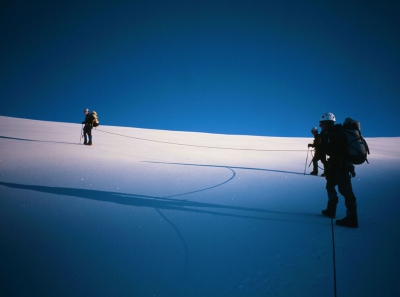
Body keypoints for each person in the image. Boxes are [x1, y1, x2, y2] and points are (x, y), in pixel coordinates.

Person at [319, 112, 358, 228]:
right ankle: (331, 210)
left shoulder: (335, 134)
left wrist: (325, 144)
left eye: (322, 124)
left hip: (340, 168)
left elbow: (333, 151)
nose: (321, 126)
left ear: (327, 123)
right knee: (331, 187)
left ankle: (352, 219)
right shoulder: (336, 132)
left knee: (346, 192)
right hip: (339, 167)